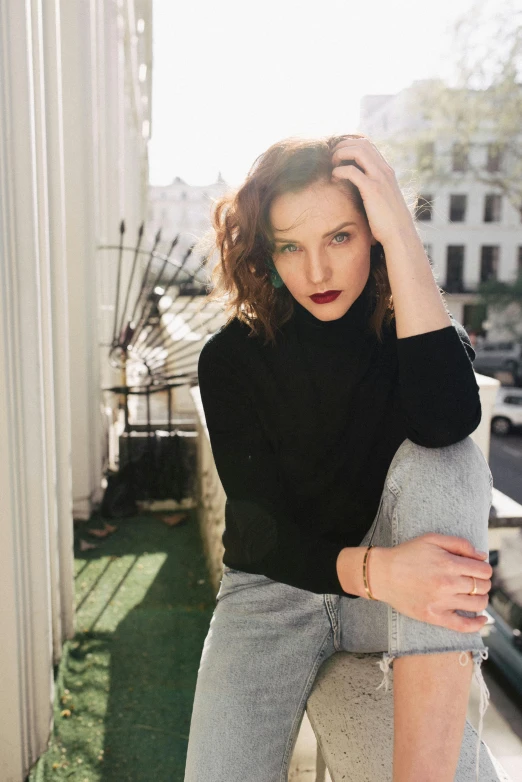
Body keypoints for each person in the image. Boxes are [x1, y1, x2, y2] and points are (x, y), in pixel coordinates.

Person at [185, 135, 494, 782]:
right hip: (276, 595)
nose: (317, 273)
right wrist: (381, 572)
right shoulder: (231, 361)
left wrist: (401, 232)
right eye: (290, 246)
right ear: (264, 253)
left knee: (449, 463)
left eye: (341, 238)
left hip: (392, 605)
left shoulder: (408, 335)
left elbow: (449, 421)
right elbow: (259, 535)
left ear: (375, 237)